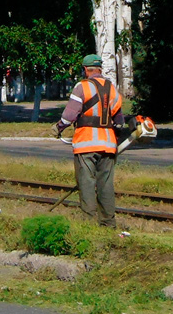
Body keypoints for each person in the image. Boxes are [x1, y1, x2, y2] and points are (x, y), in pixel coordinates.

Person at [53, 54, 124, 228]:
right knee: (105, 185)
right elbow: (119, 120)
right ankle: (108, 224)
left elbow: (70, 115)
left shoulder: (81, 87)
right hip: (108, 145)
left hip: (86, 144)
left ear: (85, 69)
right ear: (100, 69)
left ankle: (89, 224)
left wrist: (58, 127)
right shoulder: (112, 88)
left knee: (86, 184)